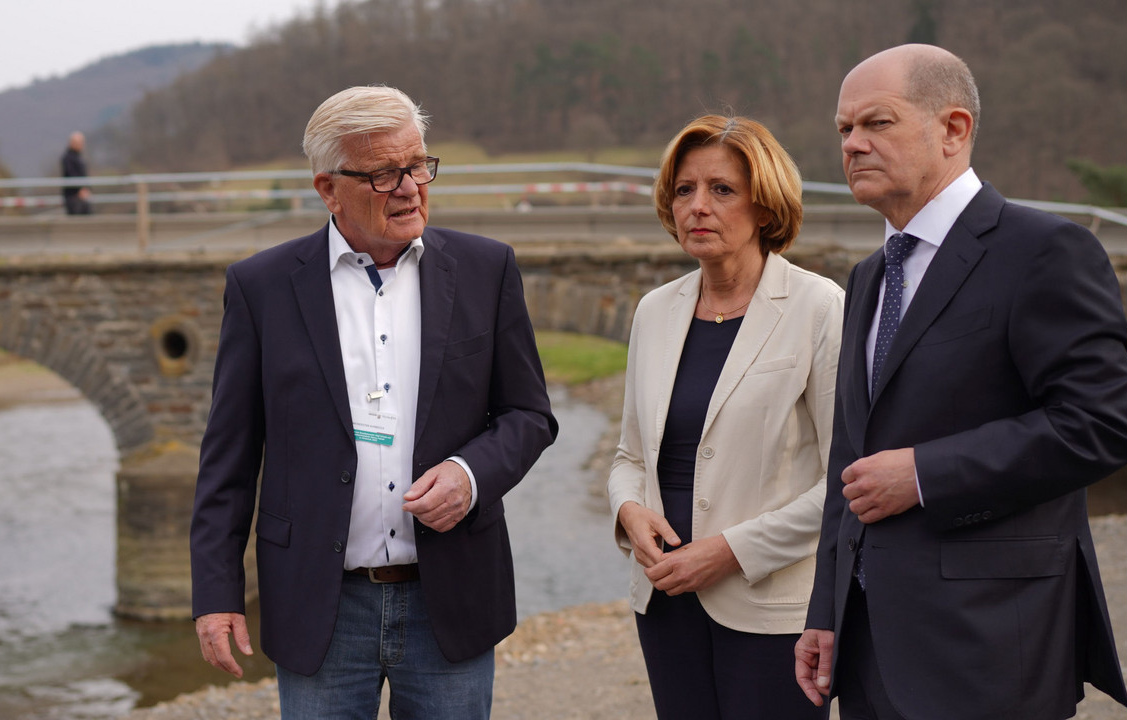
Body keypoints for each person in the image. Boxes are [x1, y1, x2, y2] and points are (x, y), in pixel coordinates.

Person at [793, 44, 1127, 720]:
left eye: (877, 123)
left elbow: (1101, 424)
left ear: (954, 129)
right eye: (843, 129)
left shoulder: (1043, 252)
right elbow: (851, 460)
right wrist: (825, 611)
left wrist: (926, 472)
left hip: (987, 644)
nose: (853, 144)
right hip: (869, 650)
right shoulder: (869, 277)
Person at [189, 85, 557, 719]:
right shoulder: (261, 287)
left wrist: (471, 475)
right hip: (319, 604)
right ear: (328, 188)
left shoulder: (485, 269)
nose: (411, 188)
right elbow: (230, 456)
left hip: (451, 599)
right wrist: (216, 593)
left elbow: (529, 415)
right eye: (385, 174)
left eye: (417, 165)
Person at [606, 115, 840, 720]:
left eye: (722, 190)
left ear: (765, 207)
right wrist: (628, 511)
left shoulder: (820, 308)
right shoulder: (655, 310)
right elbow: (630, 456)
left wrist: (729, 552)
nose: (697, 207)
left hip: (771, 607)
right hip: (663, 598)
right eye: (684, 190)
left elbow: (844, 481)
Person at [61, 131, 91, 215]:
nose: (82, 145)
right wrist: (80, 189)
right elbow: (71, 174)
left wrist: (87, 188)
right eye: (80, 142)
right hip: (73, 196)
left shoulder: (78, 156)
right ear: (73, 143)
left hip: (82, 196)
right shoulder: (67, 158)